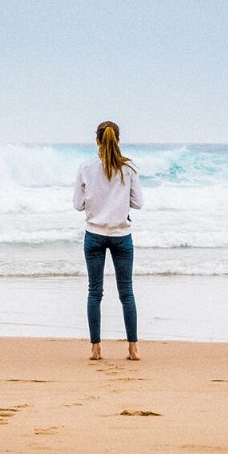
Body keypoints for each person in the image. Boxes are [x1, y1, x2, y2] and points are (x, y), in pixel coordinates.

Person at [73, 121, 143, 361]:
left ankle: (95, 349)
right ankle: (133, 349)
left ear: (97, 140)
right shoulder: (129, 167)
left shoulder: (86, 167)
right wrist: (117, 201)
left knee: (95, 292)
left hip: (94, 234)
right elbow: (138, 203)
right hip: (122, 236)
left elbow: (77, 204)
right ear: (118, 140)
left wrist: (97, 202)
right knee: (127, 293)